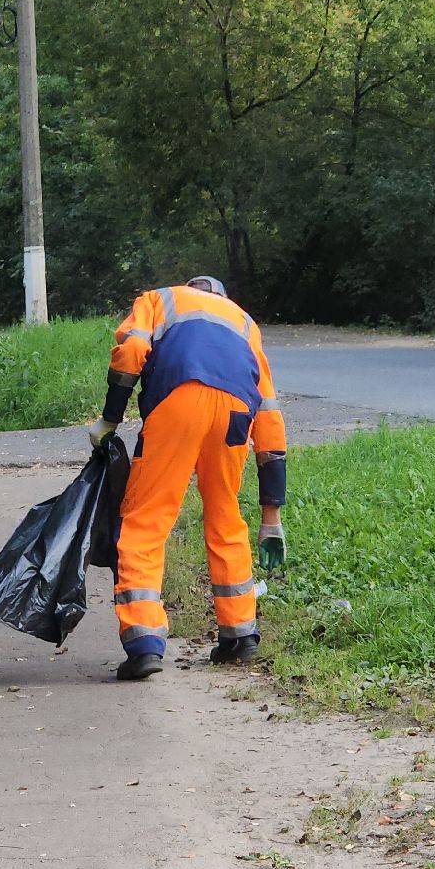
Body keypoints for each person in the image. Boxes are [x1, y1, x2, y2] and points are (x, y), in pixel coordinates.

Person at [85, 275, 287, 681]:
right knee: (225, 518)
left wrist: (110, 418)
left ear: (191, 288)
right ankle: (240, 636)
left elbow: (133, 350)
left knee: (145, 520)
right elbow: (269, 419)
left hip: (178, 402)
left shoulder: (159, 300)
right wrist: (272, 515)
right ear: (222, 296)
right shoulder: (244, 322)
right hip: (235, 415)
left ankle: (144, 641)